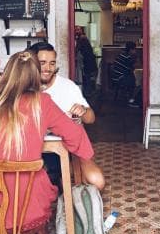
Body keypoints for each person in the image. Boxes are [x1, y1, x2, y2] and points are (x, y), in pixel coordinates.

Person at [0, 51, 102, 234]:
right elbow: (75, 135)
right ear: (34, 76)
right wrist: (86, 158)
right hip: (26, 208)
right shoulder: (42, 102)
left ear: (8, 73)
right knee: (42, 182)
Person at [27, 42, 104, 190]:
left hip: (66, 147)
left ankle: (63, 176)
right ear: (31, 63)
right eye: (42, 63)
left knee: (97, 182)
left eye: (52, 63)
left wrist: (83, 110)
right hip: (31, 150)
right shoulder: (23, 87)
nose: (48, 68)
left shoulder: (67, 86)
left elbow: (91, 118)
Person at [111, 41, 139, 107]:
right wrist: (135, 57)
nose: (135, 50)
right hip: (120, 78)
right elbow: (132, 68)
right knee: (134, 80)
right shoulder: (127, 57)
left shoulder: (121, 54)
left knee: (132, 77)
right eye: (134, 49)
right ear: (131, 49)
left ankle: (130, 98)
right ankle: (131, 100)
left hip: (115, 76)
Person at [75, 30, 98, 98]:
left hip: (86, 63)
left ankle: (87, 92)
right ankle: (89, 92)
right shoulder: (86, 42)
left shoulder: (81, 42)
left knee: (86, 78)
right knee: (89, 78)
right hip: (89, 62)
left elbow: (78, 51)